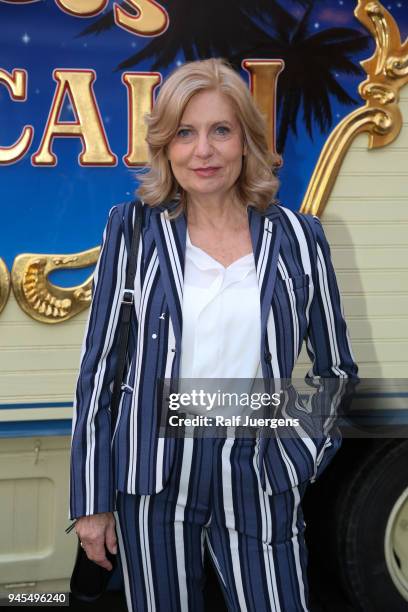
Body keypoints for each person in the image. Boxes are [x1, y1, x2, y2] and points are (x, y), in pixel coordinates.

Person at [69, 58, 359, 612]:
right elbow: (99, 373)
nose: (203, 150)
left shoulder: (301, 239)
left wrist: (299, 456)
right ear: (166, 147)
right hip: (152, 476)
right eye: (185, 132)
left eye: (220, 130)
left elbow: (335, 371)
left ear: (246, 143)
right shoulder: (131, 231)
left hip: (258, 468)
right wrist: (92, 502)